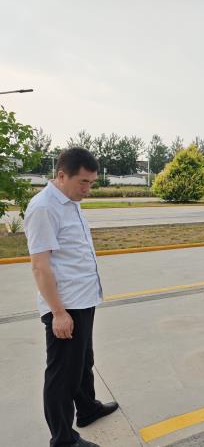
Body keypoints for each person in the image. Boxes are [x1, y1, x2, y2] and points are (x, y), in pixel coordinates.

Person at [24, 148, 118, 447]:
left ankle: (87, 408)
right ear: (62, 175)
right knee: (62, 375)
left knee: (83, 361)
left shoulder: (70, 201)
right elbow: (40, 266)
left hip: (84, 298)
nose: (88, 189)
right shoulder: (44, 208)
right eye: (83, 182)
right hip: (65, 305)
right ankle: (63, 440)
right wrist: (58, 313)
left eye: (91, 182)